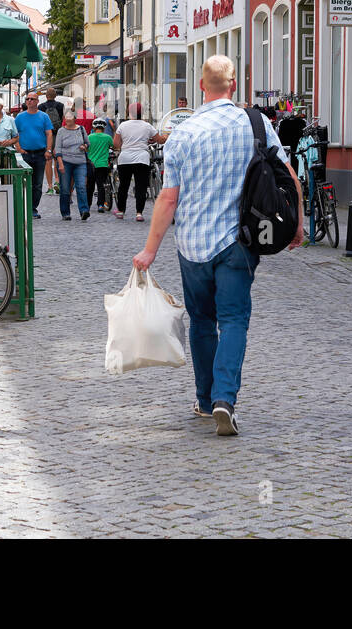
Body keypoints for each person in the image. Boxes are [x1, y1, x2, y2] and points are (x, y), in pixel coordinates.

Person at [132, 55, 304, 436]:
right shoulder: (255, 123)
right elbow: (287, 174)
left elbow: (167, 199)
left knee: (202, 321)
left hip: (192, 243)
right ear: (234, 85)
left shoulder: (183, 134)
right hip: (239, 241)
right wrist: (298, 223)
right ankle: (226, 398)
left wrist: (149, 251)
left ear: (201, 86)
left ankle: (206, 399)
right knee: (235, 319)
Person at [113, 106, 164, 221]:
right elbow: (159, 140)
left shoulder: (123, 125)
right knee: (141, 187)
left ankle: (121, 211)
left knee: (123, 186)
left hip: (125, 158)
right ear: (142, 113)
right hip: (142, 158)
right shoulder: (147, 126)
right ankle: (139, 213)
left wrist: (126, 145)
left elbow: (116, 144)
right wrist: (166, 136)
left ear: (129, 113)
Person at [14, 92, 53, 219]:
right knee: (24, 183)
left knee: (38, 184)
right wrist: (18, 148)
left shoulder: (44, 116)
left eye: (32, 99)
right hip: (25, 154)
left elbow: (49, 134)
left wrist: (49, 150)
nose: (29, 101)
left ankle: (33, 208)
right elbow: (15, 134)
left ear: (37, 101)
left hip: (40, 153)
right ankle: (24, 207)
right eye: (27, 99)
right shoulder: (20, 117)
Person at [54, 109, 91, 221]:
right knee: (65, 189)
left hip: (80, 162)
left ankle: (84, 211)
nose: (68, 120)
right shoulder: (61, 131)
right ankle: (65, 213)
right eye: (66, 118)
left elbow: (87, 143)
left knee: (81, 187)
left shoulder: (81, 129)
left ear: (75, 119)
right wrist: (60, 164)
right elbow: (58, 149)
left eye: (70, 117)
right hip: (65, 162)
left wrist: (84, 147)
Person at [40, 88, 66, 193]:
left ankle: (50, 187)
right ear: (55, 96)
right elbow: (64, 120)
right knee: (57, 159)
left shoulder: (41, 107)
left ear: (46, 96)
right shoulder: (60, 106)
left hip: (46, 136)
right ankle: (58, 181)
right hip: (58, 134)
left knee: (48, 160)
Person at [86, 119, 114, 213]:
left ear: (94, 127)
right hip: (103, 164)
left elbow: (86, 149)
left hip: (91, 164)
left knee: (90, 186)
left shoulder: (89, 137)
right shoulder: (108, 137)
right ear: (104, 128)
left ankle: (88, 205)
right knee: (101, 185)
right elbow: (113, 146)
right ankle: (101, 205)